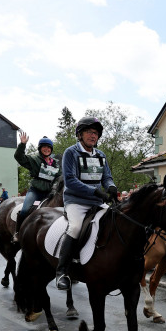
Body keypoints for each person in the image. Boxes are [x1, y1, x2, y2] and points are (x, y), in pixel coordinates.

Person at [56, 116, 118, 290]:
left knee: (114, 224)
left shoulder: (101, 155)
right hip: (76, 202)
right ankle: (62, 272)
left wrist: (111, 187)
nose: (93, 136)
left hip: (97, 201)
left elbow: (106, 177)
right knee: (75, 228)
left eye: (96, 133)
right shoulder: (71, 153)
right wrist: (95, 191)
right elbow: (70, 180)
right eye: (90, 132)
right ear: (80, 134)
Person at [12, 132, 61, 242]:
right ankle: (17, 233)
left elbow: (58, 178)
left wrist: (54, 188)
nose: (47, 149)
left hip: (50, 193)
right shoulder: (34, 159)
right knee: (25, 210)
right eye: (44, 147)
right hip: (36, 191)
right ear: (40, 148)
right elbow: (18, 157)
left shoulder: (56, 164)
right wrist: (22, 144)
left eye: (49, 147)